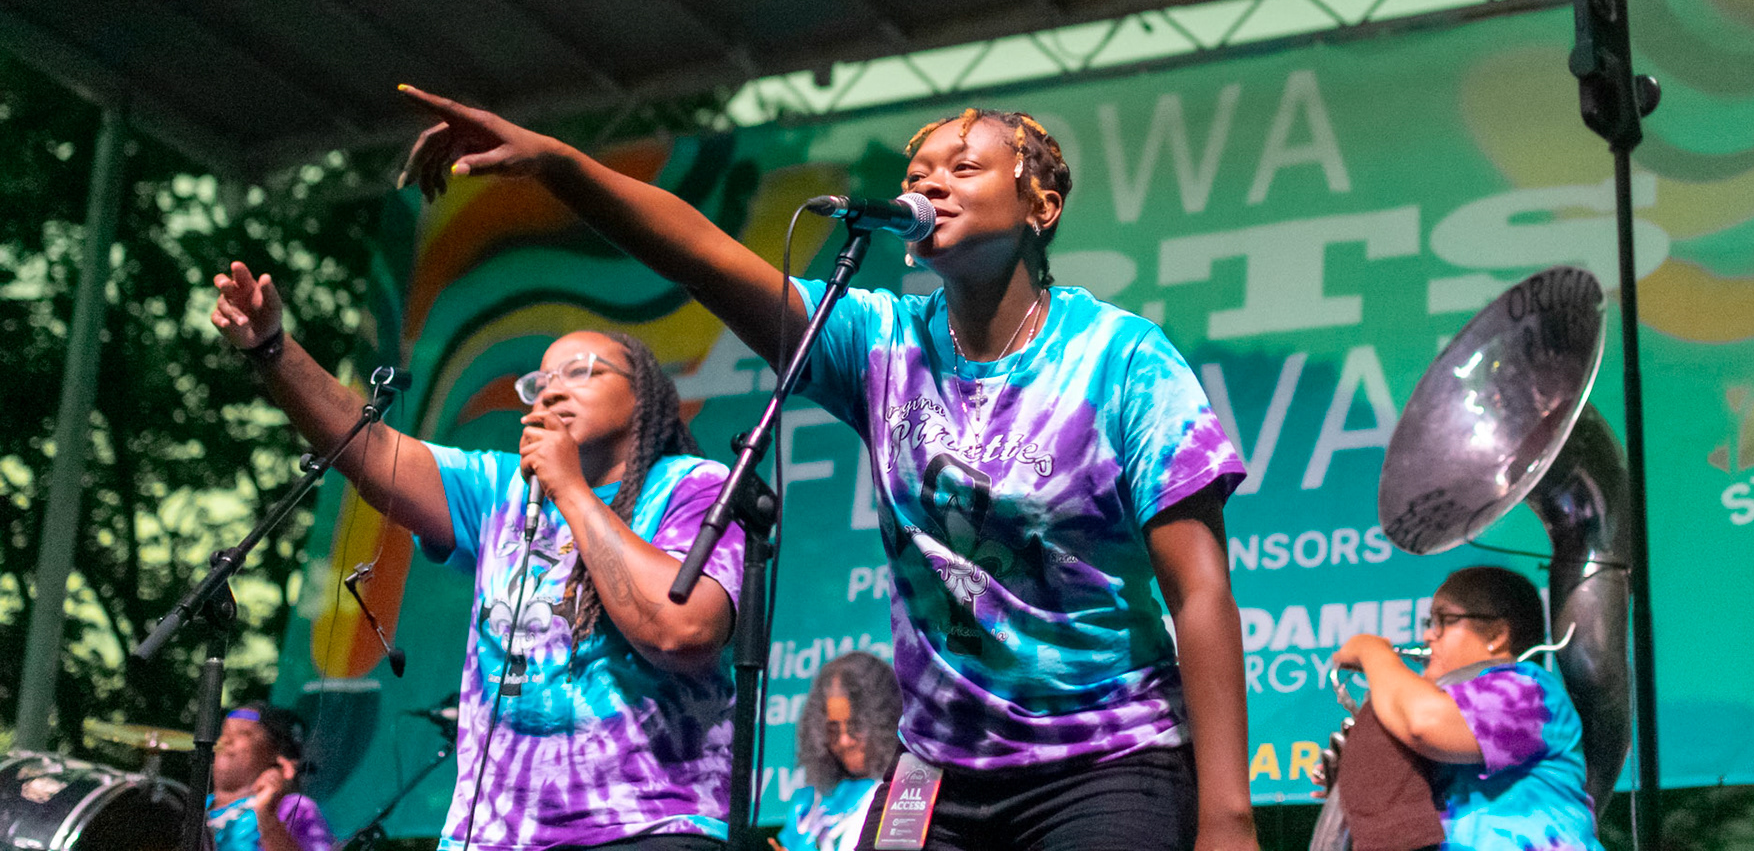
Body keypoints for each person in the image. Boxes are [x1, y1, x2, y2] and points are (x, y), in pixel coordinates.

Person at [394, 88, 1259, 851]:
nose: (930, 182)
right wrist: (559, 167)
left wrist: (1229, 818)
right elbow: (699, 252)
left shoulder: (1123, 361)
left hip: (1104, 758)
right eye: (920, 171)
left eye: (965, 166)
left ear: (1042, 205)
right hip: (936, 768)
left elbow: (1200, 593)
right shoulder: (878, 342)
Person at [211, 265, 744, 851]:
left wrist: (570, 489)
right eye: (540, 381)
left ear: (644, 395)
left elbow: (684, 629)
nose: (553, 389)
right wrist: (272, 349)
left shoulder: (694, 486)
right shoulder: (499, 491)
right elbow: (370, 447)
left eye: (581, 371)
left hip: (648, 830)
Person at [1329, 565, 1603, 850]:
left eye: (1444, 621)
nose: (1428, 636)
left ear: (1496, 636)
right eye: (1430, 623)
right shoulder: (1454, 713)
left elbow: (1422, 723)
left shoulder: (1528, 690)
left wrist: (1372, 652)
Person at [774, 652, 901, 851]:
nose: (844, 741)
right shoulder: (809, 804)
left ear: (885, 721)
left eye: (855, 726)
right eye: (833, 730)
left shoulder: (903, 797)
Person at [207, 703, 332, 851]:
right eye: (224, 732)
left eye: (244, 733)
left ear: (278, 758)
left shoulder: (292, 808)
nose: (226, 741)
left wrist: (267, 818)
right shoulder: (196, 804)